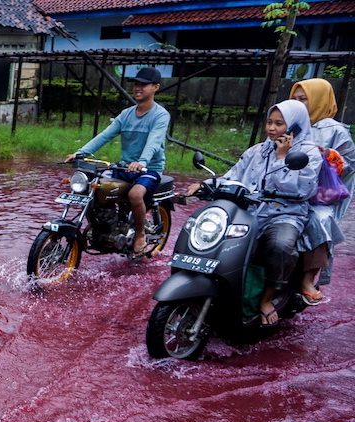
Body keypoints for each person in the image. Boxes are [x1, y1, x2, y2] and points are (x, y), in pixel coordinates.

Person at [186, 100, 322, 326]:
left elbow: (302, 190)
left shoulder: (308, 154)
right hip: (250, 212)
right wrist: (206, 184)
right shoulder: (257, 150)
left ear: (295, 126)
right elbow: (233, 176)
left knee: (280, 245)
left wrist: (282, 157)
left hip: (285, 214)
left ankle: (267, 298)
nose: (271, 128)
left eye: (279, 123)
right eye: (269, 122)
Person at [65, 66, 170, 257]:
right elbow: (105, 136)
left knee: (136, 195)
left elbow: (154, 141)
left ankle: (140, 235)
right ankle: (101, 227)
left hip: (149, 169)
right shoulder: (126, 114)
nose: (138, 88)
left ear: (155, 87)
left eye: (143, 85)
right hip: (124, 166)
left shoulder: (160, 115)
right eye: (136, 84)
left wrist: (142, 161)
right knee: (93, 186)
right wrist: (80, 153)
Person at [290, 78, 354, 305]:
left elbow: (349, 164)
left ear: (318, 100)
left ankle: (308, 279)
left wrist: (328, 154)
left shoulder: (335, 130)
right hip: (286, 189)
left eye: (303, 99)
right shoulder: (289, 123)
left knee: (320, 221)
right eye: (294, 99)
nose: (298, 104)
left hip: (318, 197)